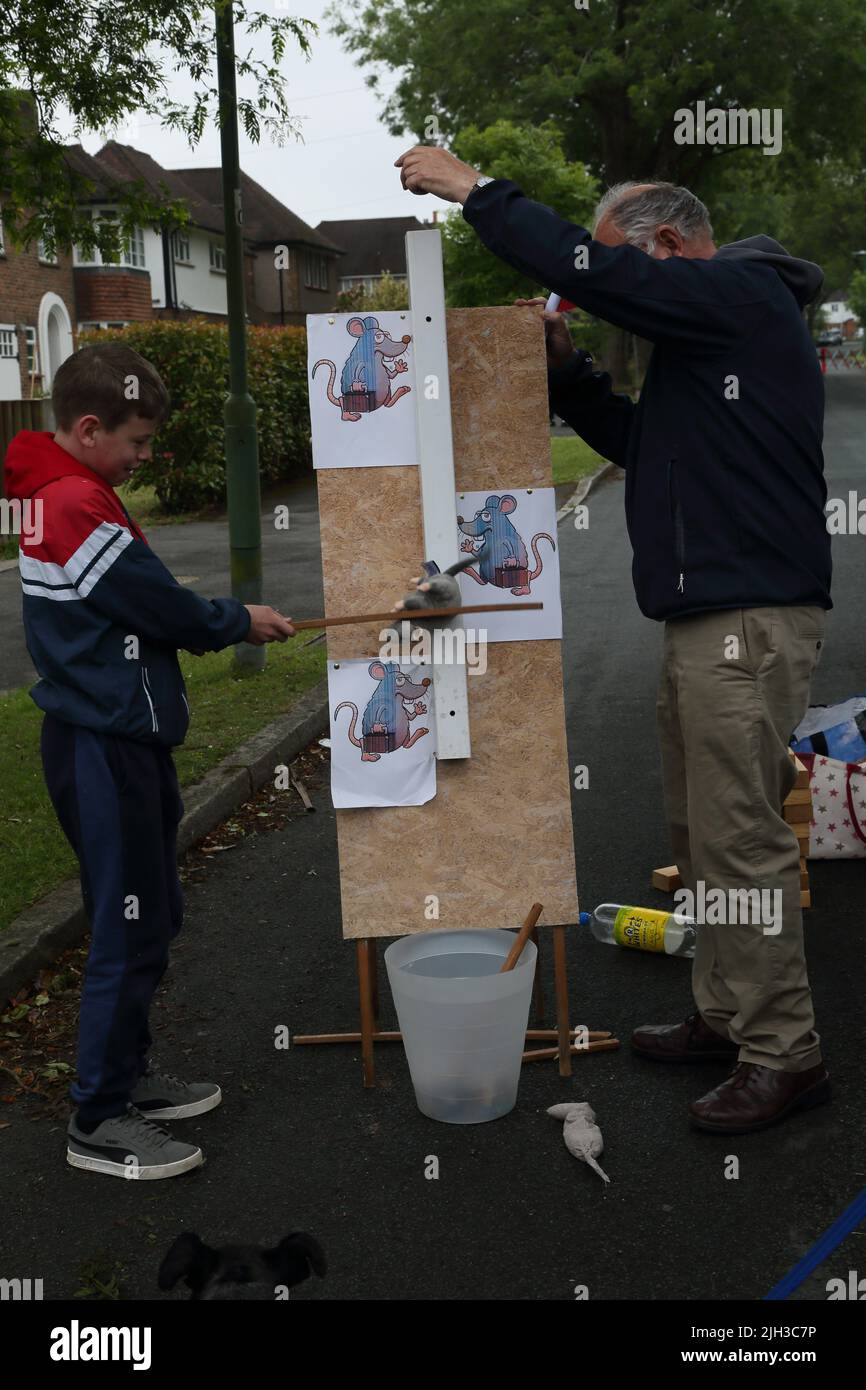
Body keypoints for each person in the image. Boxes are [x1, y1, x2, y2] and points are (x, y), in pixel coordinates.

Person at [395, 145, 831, 1135]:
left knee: (742, 842)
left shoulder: (740, 298)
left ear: (669, 246)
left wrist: (476, 192)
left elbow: (594, 274)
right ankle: (727, 1016)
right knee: (700, 837)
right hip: (710, 619)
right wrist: (574, 378)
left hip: (745, 617)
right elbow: (646, 447)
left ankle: (783, 1051)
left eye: (617, 268)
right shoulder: (710, 343)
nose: (592, 295)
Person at [3, 342, 295, 1178]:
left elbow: (134, 608)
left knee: (149, 913)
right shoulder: (67, 504)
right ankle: (96, 1118)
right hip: (102, 747)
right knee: (125, 930)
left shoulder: (69, 490)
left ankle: (125, 1078)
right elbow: (154, 604)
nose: (143, 458)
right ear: (89, 428)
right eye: (135, 442)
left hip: (116, 739)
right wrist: (238, 620)